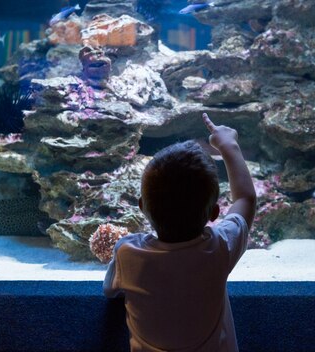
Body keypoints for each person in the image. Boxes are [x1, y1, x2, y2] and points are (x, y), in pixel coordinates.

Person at [103, 113, 256, 351]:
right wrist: (228, 146)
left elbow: (110, 291)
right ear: (214, 214)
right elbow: (246, 199)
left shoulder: (127, 253)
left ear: (142, 206)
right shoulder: (221, 247)